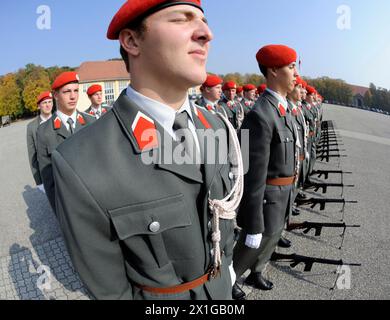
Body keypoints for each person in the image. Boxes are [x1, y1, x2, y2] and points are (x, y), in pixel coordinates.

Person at [51, 0, 242, 300]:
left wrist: (227, 271)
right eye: (183, 19)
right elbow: (111, 291)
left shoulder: (216, 126)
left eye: (204, 21)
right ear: (132, 41)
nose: (207, 33)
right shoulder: (81, 161)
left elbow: (222, 215)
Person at [233, 44, 298, 296]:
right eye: (291, 67)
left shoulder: (282, 109)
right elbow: (251, 175)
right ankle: (228, 282)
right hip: (268, 197)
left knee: (271, 239)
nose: (296, 74)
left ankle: (256, 270)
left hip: (283, 194)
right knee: (253, 243)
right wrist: (252, 220)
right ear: (273, 70)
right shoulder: (260, 115)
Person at [37, 71, 95, 212]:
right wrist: (59, 213)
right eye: (67, 91)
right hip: (69, 205)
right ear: (56, 95)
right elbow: (49, 179)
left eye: (76, 90)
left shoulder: (91, 121)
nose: (73, 96)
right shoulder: (44, 131)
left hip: (95, 200)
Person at [26, 91, 53, 192]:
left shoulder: (59, 120)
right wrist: (39, 181)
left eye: (50, 102)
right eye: (44, 103)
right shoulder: (31, 127)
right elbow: (32, 155)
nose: (48, 105)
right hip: (46, 173)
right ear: (38, 106)